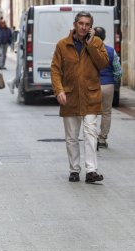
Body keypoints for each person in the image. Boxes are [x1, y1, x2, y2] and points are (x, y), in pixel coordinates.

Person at [51, 11, 109, 184]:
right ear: (75, 24)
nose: (84, 27)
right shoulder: (62, 45)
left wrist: (91, 45)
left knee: (91, 132)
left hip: (91, 95)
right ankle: (74, 170)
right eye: (81, 23)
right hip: (69, 96)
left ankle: (91, 170)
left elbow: (103, 64)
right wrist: (59, 90)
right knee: (72, 136)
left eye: (87, 24)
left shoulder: (97, 42)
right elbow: (55, 69)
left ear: (91, 27)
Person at [93, 26, 122, 149]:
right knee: (106, 113)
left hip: (93, 85)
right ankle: (102, 139)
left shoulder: (88, 50)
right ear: (104, 37)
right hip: (108, 85)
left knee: (91, 112)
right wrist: (114, 82)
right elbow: (118, 71)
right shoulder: (111, 51)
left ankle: (91, 137)